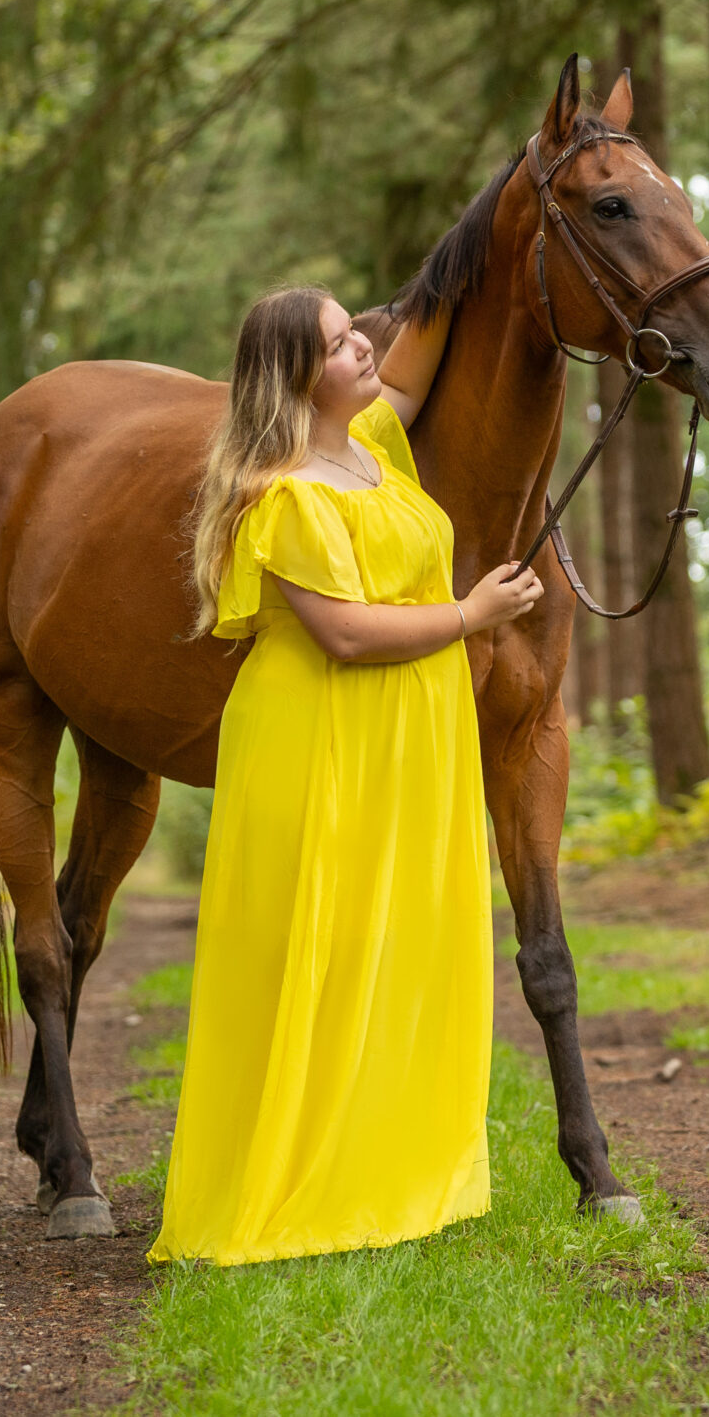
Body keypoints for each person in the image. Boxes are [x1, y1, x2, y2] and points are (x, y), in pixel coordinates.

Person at [147, 285, 545, 1266]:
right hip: (316, 733)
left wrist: (496, 229)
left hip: (407, 739)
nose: (361, 347)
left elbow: (410, 357)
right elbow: (346, 633)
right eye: (337, 344)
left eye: (353, 330)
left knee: (396, 944)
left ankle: (382, 1173)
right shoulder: (282, 492)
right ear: (296, 377)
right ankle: (294, 1184)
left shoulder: (375, 447)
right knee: (316, 952)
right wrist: (470, 614)